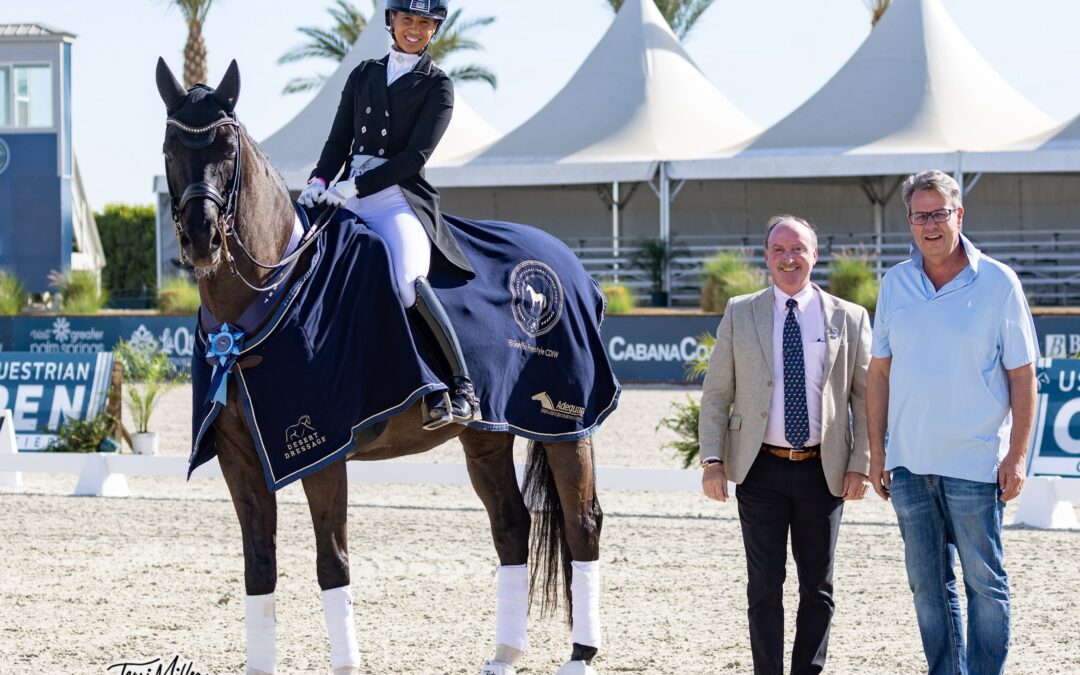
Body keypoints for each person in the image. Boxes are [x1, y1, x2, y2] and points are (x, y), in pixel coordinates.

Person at [867, 170, 1038, 675]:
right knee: (927, 586)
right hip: (910, 467)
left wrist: (1017, 455)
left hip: (976, 463)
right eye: (920, 216)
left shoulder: (999, 282)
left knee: (985, 582)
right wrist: (879, 452)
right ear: (910, 222)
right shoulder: (895, 282)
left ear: (958, 216)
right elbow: (880, 373)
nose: (930, 225)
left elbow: (1024, 376)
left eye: (938, 213)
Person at [699, 215, 872, 675]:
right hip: (760, 469)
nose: (788, 258)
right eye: (778, 250)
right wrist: (713, 460)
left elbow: (865, 397)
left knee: (818, 588)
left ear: (814, 255)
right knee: (763, 586)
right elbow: (717, 393)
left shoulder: (849, 317)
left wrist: (861, 464)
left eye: (798, 249)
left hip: (825, 469)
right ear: (767, 258)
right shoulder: (741, 311)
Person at [297, 0, 477, 431]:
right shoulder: (363, 74)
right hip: (345, 194)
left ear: (434, 29)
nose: (414, 29)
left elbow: (415, 156)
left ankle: (458, 386)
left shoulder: (438, 87)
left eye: (424, 23)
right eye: (407, 19)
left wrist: (356, 185)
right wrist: (319, 182)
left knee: (405, 281)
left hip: (398, 199)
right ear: (391, 21)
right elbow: (338, 139)